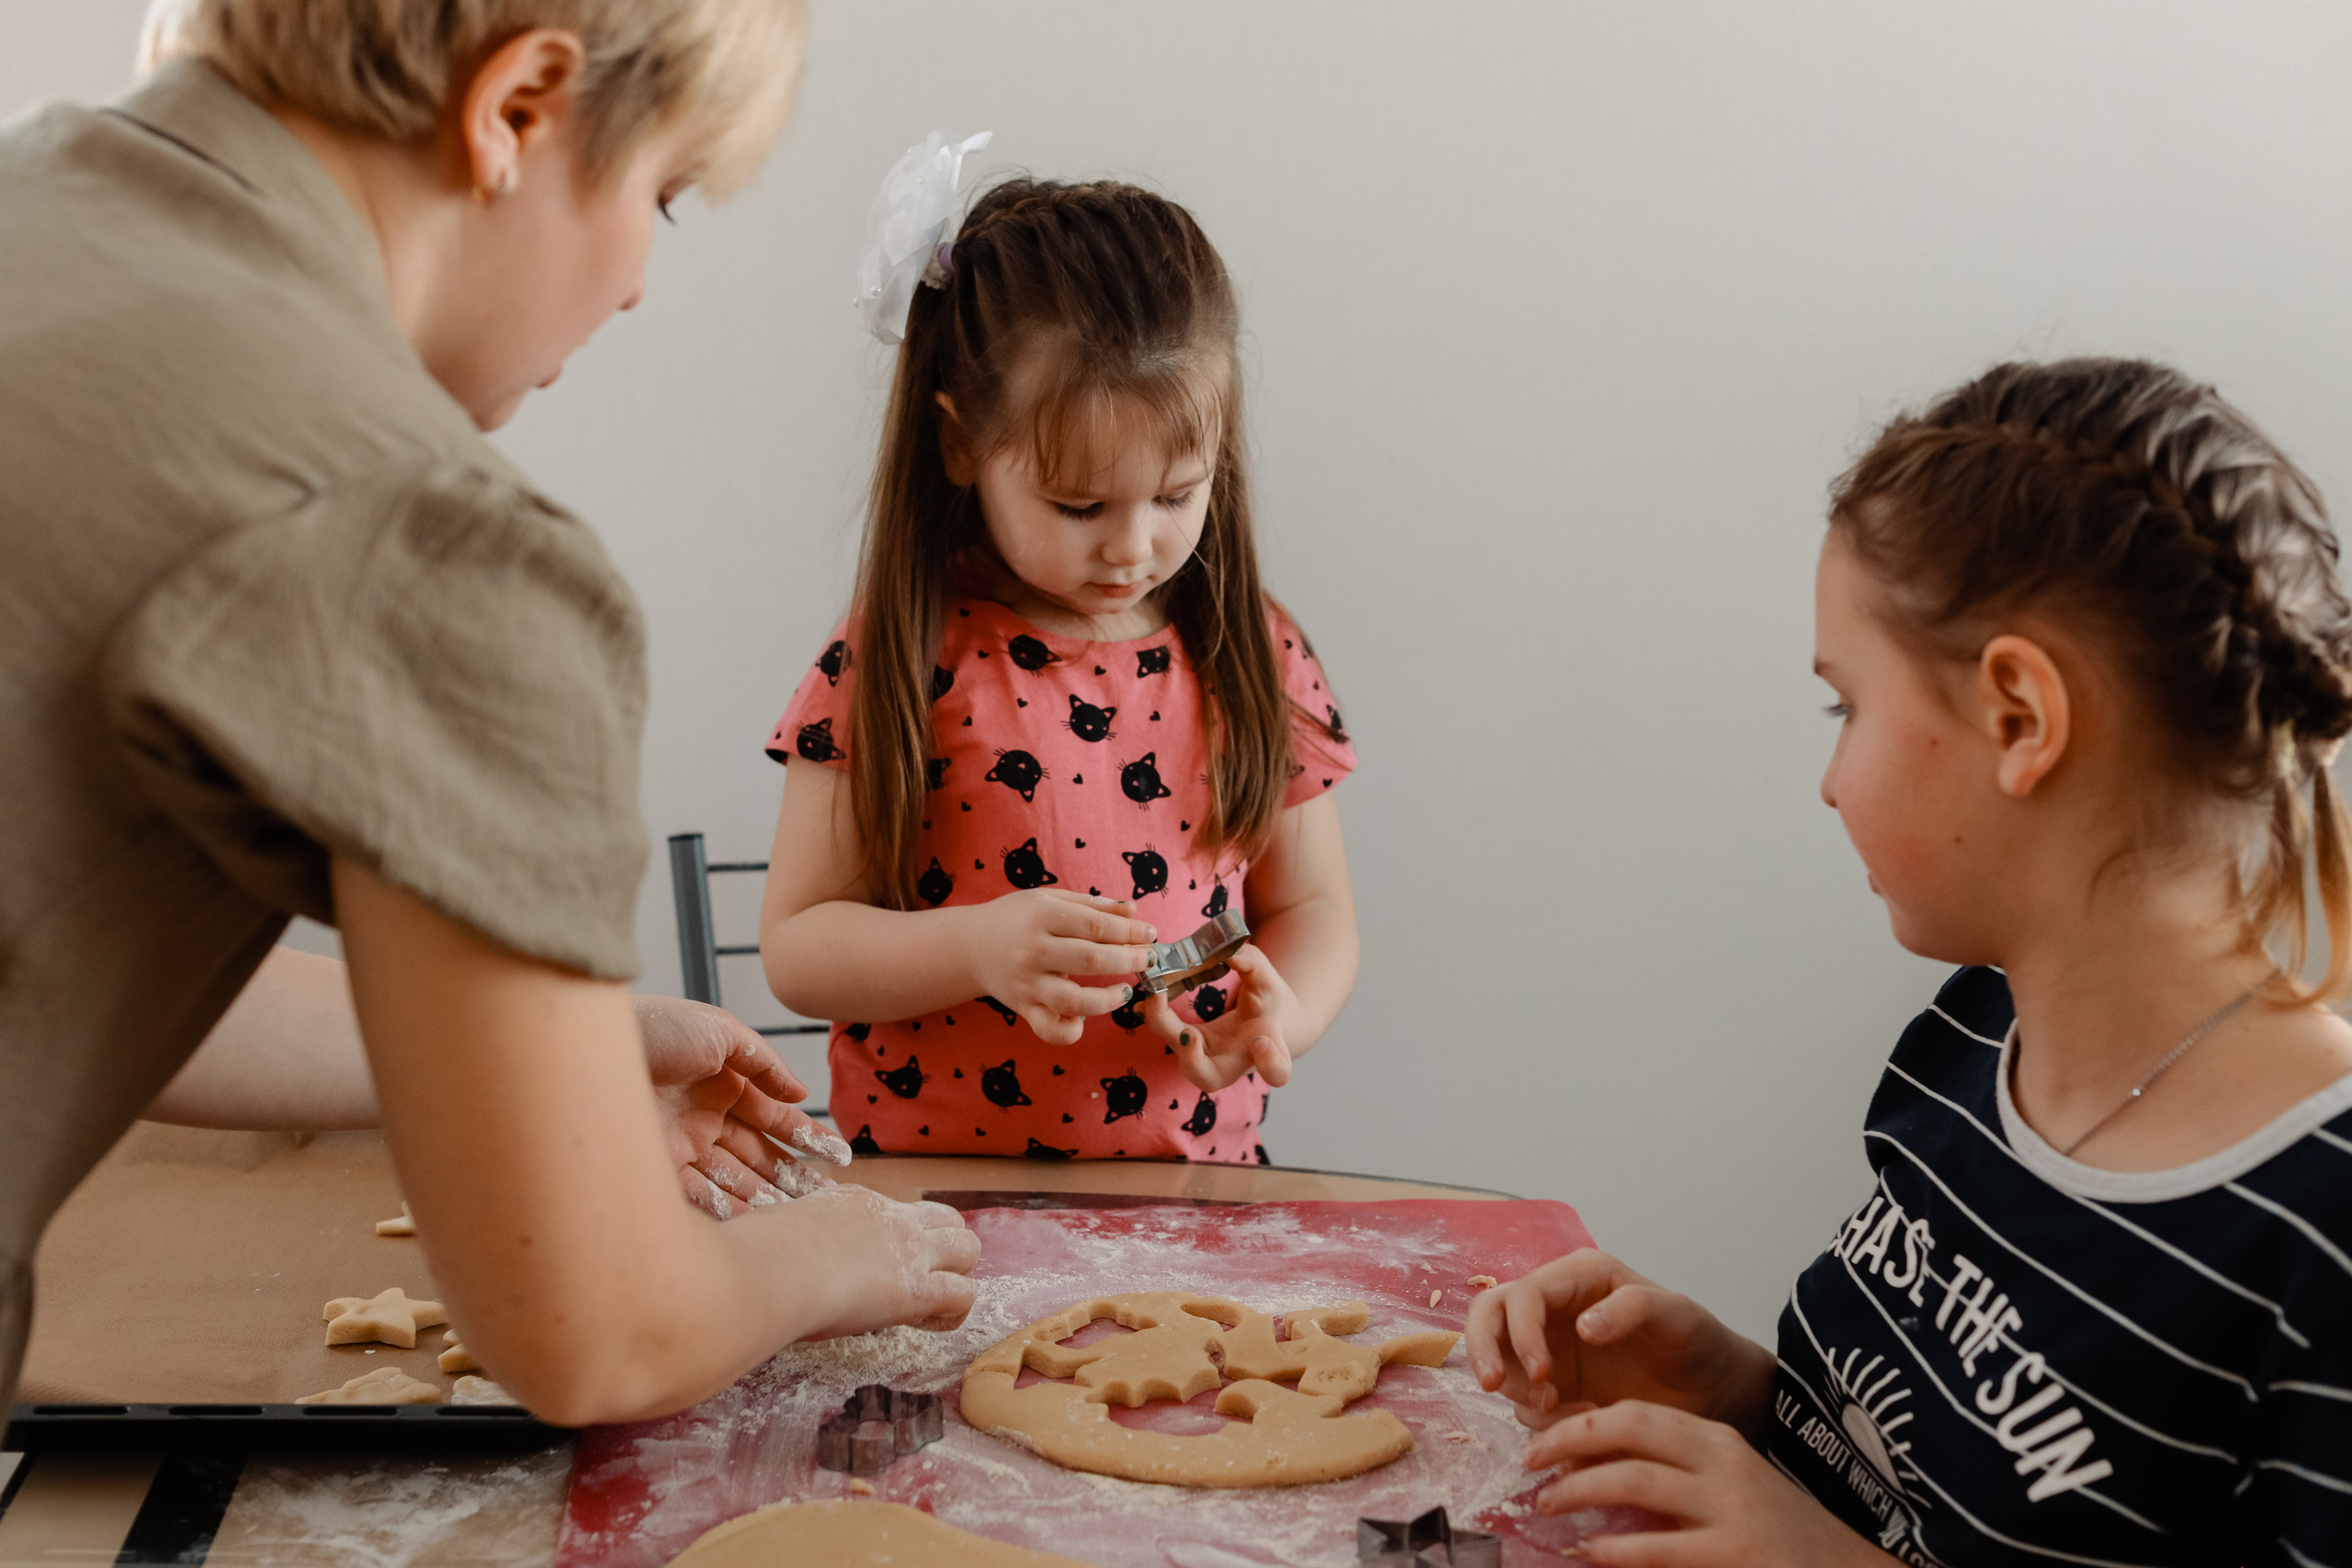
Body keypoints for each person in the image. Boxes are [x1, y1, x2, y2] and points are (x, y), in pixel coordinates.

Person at [0, 0, 978, 1426]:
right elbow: (601, 1335)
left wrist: (559, 1049)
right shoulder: (429, 537)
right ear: (516, 107)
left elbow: (50, 961)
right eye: (666, 194)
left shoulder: (40, 207)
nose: (641, 281)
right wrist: (835, 1247)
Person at [1466, 359, 2352, 1563]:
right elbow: (1910, 1489)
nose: (1830, 779)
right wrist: (1728, 1386)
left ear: (2020, 719)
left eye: (1847, 706)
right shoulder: (1976, 1034)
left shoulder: (2320, 1220)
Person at [759, 176, 1361, 1162]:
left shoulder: (1252, 652)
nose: (1133, 546)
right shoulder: (900, 656)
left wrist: (1276, 1022)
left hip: (1199, 1202)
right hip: (940, 1208)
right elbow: (798, 946)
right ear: (960, 444)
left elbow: (1314, 908)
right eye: (1080, 507)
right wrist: (977, 947)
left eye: (1176, 493)